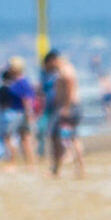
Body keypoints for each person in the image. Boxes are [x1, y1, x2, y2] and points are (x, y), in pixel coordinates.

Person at [43, 49, 84, 179]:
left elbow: (70, 86)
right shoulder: (62, 70)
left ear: (53, 60)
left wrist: (66, 107)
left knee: (70, 138)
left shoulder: (65, 69)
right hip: (65, 107)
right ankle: (57, 170)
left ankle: (79, 168)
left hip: (69, 107)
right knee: (58, 137)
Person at [0, 60, 27, 170]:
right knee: (19, 138)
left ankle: (12, 161)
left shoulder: (3, 89)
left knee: (8, 138)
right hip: (16, 114)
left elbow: (0, 104)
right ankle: (24, 161)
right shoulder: (14, 87)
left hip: (6, 115)